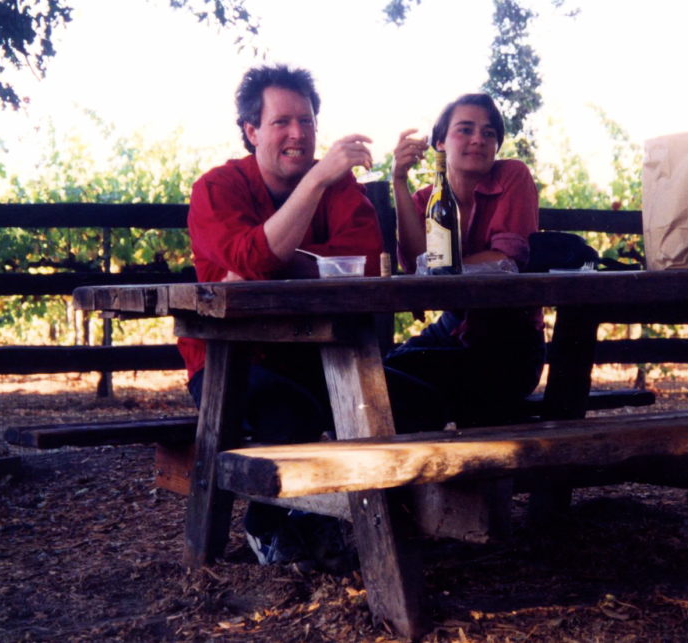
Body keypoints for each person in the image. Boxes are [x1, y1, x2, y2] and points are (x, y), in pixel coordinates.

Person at [179, 64, 444, 571]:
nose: (297, 134)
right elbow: (249, 258)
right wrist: (319, 185)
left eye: (306, 120)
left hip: (320, 355)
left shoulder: (342, 191)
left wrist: (276, 259)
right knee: (289, 415)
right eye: (281, 122)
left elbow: (364, 262)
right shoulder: (216, 190)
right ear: (251, 130)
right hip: (229, 359)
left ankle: (384, 524)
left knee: (419, 405)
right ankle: (267, 529)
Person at [387, 93, 546, 426]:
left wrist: (438, 270)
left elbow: (507, 259)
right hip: (453, 331)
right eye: (466, 129)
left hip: (509, 343)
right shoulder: (426, 199)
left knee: (401, 384)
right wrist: (399, 180)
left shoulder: (512, 177)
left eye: (489, 133)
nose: (479, 139)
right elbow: (417, 262)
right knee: (382, 371)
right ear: (440, 142)